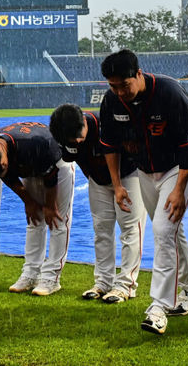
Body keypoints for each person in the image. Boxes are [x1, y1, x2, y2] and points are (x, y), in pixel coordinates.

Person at [99, 49, 188, 335]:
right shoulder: (111, 101)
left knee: (162, 230)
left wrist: (179, 190)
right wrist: (118, 185)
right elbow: (109, 144)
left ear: (138, 73)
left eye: (124, 84)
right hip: (144, 171)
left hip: (178, 167)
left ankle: (159, 307)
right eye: (113, 85)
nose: (120, 91)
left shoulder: (168, 91)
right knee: (171, 232)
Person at [50, 103, 144, 305]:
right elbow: (76, 158)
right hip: (99, 180)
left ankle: (126, 285)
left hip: (129, 175)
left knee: (130, 229)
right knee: (101, 229)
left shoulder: (107, 126)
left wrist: (117, 185)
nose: (76, 140)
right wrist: (94, 179)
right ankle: (103, 282)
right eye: (70, 139)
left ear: (84, 121)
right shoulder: (65, 135)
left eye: (78, 135)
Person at [0, 121, 74, 296]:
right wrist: (28, 201)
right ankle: (30, 273)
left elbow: (50, 176)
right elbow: (8, 177)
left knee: (56, 219)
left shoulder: (34, 144)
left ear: (4, 163)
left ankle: (51, 278)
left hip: (57, 166)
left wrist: (49, 206)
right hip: (30, 167)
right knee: (34, 219)